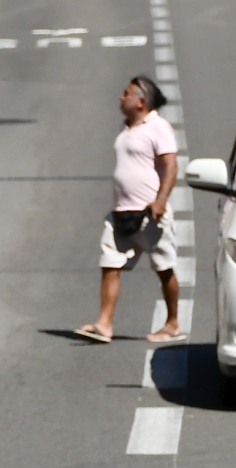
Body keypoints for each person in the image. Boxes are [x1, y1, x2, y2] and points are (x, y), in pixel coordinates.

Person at [74, 76, 182, 346]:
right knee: (110, 265)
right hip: (120, 212)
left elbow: (171, 166)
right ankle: (104, 324)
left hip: (149, 214)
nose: (121, 98)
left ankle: (172, 323)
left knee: (163, 268)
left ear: (141, 102)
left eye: (126, 94)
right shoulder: (126, 129)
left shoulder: (158, 127)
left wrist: (161, 200)